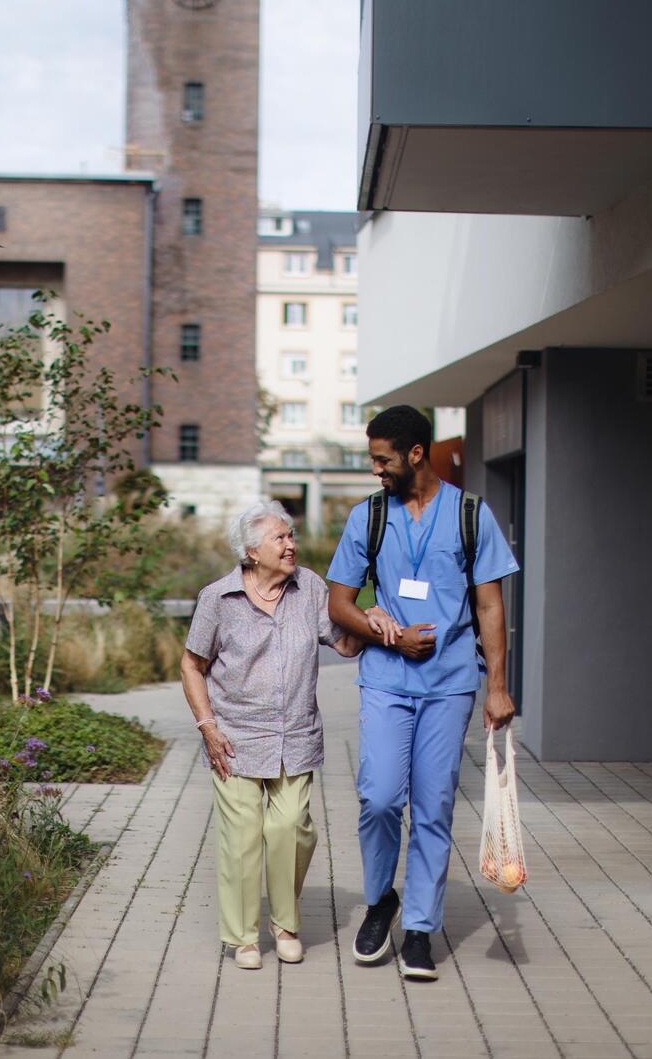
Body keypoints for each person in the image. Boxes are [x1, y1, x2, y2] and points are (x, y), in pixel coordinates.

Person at [326, 405, 520, 981]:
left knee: (433, 805)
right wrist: (380, 629)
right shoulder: (369, 516)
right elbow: (339, 603)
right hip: (387, 677)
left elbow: (489, 604)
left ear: (416, 454)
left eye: (383, 459)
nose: (375, 469)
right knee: (380, 796)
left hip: (450, 684)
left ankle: (419, 928)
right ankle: (381, 897)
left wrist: (499, 689)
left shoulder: (469, 514)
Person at [180, 500, 371, 970]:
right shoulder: (218, 599)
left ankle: (285, 924)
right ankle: (243, 937)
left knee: (290, 829)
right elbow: (192, 665)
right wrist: (207, 726)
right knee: (242, 836)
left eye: (291, 536)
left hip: (296, 735)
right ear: (251, 551)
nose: (292, 544)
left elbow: (343, 644)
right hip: (235, 738)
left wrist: (369, 619)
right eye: (280, 538)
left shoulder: (309, 588)